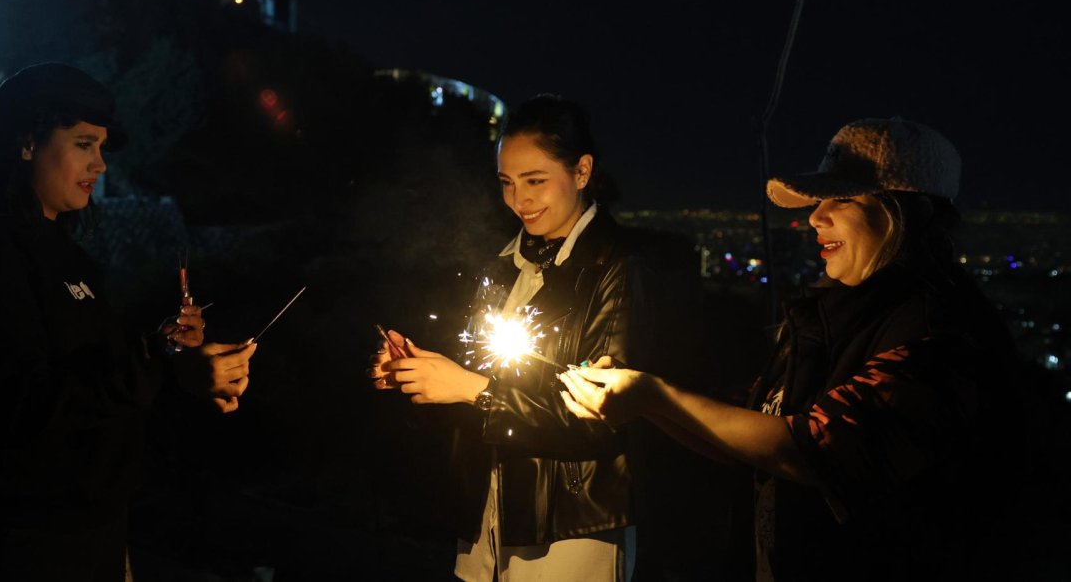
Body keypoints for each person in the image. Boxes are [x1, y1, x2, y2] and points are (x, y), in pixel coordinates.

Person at [559, 118, 1020, 580]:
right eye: (819, 201)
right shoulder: (831, 314)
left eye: (841, 199)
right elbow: (753, 436)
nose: (816, 217)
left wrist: (653, 396)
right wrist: (642, 401)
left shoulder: (938, 331)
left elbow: (812, 450)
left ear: (907, 214)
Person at [0, 63, 257, 581]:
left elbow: (90, 372)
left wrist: (167, 350)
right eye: (83, 145)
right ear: (27, 145)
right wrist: (157, 367)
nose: (101, 165)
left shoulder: (65, 254)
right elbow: (17, 403)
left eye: (101, 148)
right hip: (13, 545)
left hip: (89, 532)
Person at [371, 95, 660, 582]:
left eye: (535, 181)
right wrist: (417, 371)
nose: (519, 200)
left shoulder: (616, 267)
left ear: (583, 171)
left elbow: (601, 415)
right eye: (507, 183)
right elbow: (475, 369)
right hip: (486, 511)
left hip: (570, 527)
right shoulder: (505, 264)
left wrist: (472, 391)